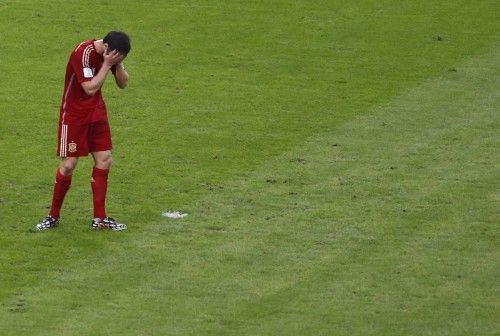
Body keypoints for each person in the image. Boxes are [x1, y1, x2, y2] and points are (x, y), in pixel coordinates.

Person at [36, 31, 131, 231]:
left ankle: (100, 219)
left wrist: (118, 64)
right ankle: (53, 215)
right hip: (74, 116)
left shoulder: (111, 55)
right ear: (106, 48)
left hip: (96, 114)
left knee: (104, 159)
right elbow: (89, 88)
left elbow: (123, 84)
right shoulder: (83, 53)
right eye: (116, 57)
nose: (116, 60)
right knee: (69, 164)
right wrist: (106, 64)